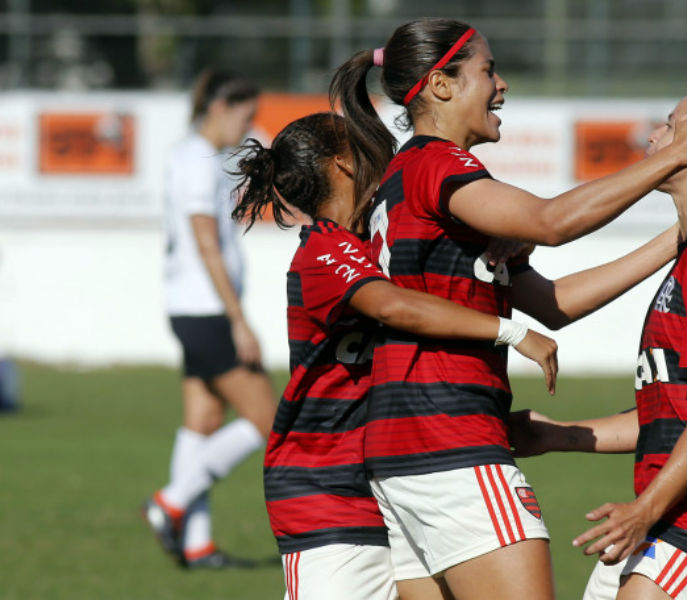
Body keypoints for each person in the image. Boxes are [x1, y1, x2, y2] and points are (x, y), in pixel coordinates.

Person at [328, 18, 687, 600]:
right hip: (449, 440)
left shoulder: (410, 177)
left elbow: (556, 304)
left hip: (400, 447)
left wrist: (683, 234)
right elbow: (551, 221)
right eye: (488, 71)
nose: (502, 85)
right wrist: (677, 157)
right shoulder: (438, 166)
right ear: (441, 86)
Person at [230, 111, 557, 600]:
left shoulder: (380, 240)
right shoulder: (324, 249)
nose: (380, 151)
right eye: (364, 144)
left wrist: (513, 238)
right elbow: (394, 307)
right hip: (329, 492)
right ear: (343, 163)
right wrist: (510, 332)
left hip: (393, 478)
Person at [508, 83, 687, 600]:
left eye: (670, 124)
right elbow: (675, 412)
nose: (652, 136)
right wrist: (559, 434)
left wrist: (643, 511)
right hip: (681, 510)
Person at [144, 68, 276, 569]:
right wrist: (238, 318)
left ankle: (196, 545)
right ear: (221, 108)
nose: (249, 126)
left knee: (202, 421)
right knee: (268, 420)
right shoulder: (199, 162)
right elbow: (206, 244)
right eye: (246, 115)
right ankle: (170, 502)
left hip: (189, 308)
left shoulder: (191, 156)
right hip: (207, 311)